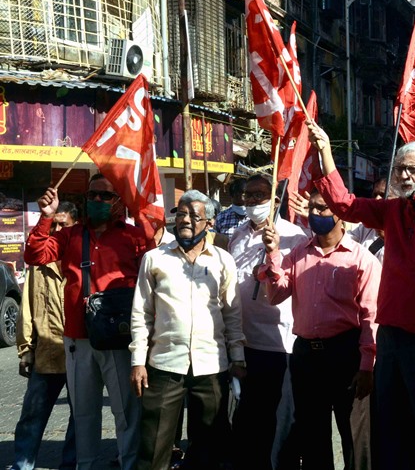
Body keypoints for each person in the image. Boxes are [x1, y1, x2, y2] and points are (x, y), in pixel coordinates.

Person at [306, 120, 415, 470]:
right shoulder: (393, 210)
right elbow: (345, 205)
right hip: (391, 337)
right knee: (392, 426)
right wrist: (324, 150)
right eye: (399, 169)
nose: (403, 176)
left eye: (412, 169)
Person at [24, 174, 151, 470]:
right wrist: (46, 217)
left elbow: (151, 283)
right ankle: (87, 465)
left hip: (119, 339)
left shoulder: (133, 237)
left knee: (126, 411)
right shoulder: (70, 234)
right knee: (83, 413)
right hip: (78, 338)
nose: (97, 201)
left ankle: (129, 464)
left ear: (117, 201)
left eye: (105, 196)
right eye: (92, 195)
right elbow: (35, 255)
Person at [260, 189, 380, 470]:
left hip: (345, 354)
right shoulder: (298, 253)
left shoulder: (361, 259)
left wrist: (367, 364)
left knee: (354, 435)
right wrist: (272, 254)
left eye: (323, 208)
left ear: (340, 214)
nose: (315, 214)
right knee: (312, 434)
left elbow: (371, 316)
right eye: (312, 208)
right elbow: (276, 295)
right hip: (306, 356)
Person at [130, 189, 246, 470]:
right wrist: (138, 361)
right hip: (165, 365)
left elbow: (232, 313)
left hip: (211, 366)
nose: (186, 220)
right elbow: (141, 312)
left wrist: (238, 356)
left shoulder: (222, 260)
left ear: (209, 223)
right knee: (153, 444)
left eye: (195, 215)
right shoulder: (155, 259)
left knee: (208, 447)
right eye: (181, 213)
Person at [228, 174, 308, 470]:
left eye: (259, 195)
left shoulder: (294, 236)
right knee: (248, 417)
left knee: (279, 422)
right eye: (248, 195)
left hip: (279, 343)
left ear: (275, 200)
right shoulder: (237, 234)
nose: (251, 201)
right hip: (244, 342)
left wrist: (273, 253)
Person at [12, 201, 79, 470]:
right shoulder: (40, 263)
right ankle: (22, 463)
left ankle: (71, 464)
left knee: (81, 417)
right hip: (46, 354)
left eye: (64, 225)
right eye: (55, 225)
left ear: (75, 226)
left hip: (79, 353)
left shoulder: (83, 260)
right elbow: (26, 308)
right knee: (32, 415)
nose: (59, 230)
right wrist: (25, 348)